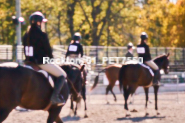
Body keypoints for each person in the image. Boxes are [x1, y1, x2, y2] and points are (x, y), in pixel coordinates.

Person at [22, 11, 67, 106]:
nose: (43, 24)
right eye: (42, 22)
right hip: (41, 62)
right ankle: (55, 97)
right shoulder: (42, 34)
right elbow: (48, 51)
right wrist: (51, 60)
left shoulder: (26, 35)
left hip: (28, 62)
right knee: (62, 75)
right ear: (38, 23)